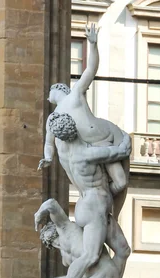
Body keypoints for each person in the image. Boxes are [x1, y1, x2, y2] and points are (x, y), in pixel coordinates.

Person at [39, 23, 130, 220]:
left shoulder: (75, 94)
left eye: (51, 91)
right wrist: (47, 158)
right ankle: (101, 204)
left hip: (104, 141)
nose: (48, 96)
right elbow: (48, 143)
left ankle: (105, 204)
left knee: (121, 183)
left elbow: (91, 68)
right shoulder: (53, 119)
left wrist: (93, 44)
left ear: (59, 90)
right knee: (106, 186)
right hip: (86, 153)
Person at [35, 199, 131, 278]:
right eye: (51, 244)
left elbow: (52, 204)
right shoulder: (64, 254)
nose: (56, 244)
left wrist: (39, 213)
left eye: (53, 239)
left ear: (56, 231)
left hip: (104, 275)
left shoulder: (67, 228)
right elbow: (79, 276)